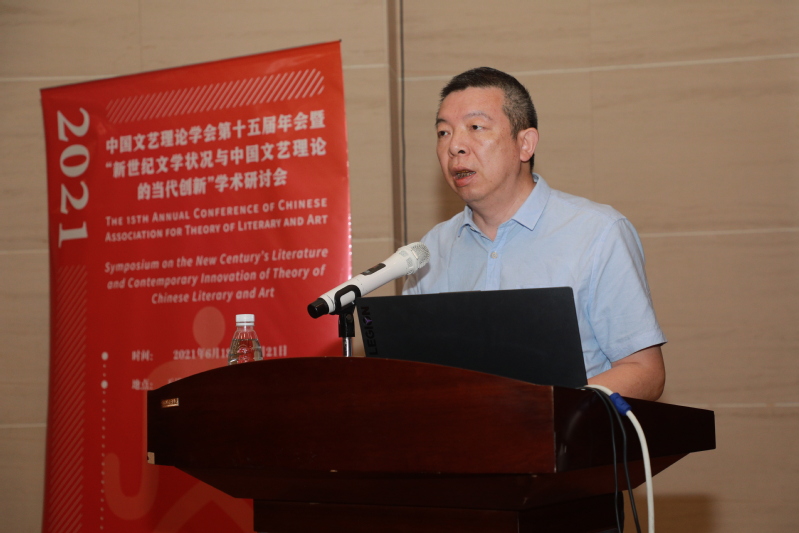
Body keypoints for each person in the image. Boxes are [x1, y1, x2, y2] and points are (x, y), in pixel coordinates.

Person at [402, 67, 666, 401]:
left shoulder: (597, 233)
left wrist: (546, 410)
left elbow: (644, 372)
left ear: (525, 144)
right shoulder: (430, 250)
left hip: (568, 432)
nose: (455, 146)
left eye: (475, 127)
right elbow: (411, 374)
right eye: (444, 132)